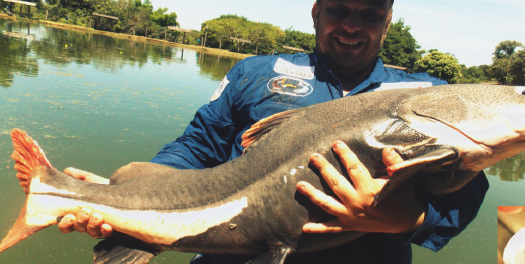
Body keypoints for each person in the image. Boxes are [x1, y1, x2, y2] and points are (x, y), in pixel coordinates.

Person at [58, 0, 489, 263]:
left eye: (370, 14)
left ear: (388, 19)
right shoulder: (255, 72)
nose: (353, 26)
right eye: (339, 10)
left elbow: (467, 185)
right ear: (317, 11)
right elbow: (197, 146)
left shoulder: (429, 94)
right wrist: (138, 196)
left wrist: (405, 219)